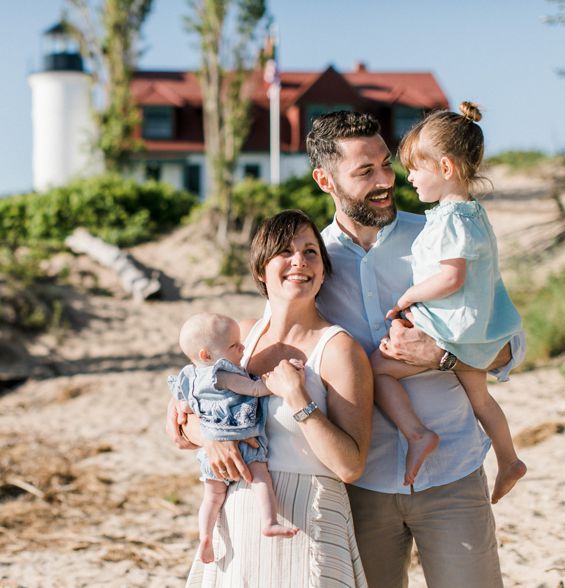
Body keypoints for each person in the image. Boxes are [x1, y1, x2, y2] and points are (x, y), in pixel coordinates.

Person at [305, 111, 524, 587]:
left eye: (387, 164)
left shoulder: (440, 234)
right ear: (325, 180)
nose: (386, 181)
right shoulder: (311, 264)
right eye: (365, 172)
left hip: (454, 473)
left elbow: (508, 346)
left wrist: (442, 356)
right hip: (357, 486)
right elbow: (276, 344)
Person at [171, 210, 373, 586]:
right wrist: (211, 437)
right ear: (261, 270)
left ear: (324, 271)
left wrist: (298, 399)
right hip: (239, 516)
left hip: (310, 517)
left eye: (311, 251)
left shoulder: (339, 349)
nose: (299, 261)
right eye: (284, 251)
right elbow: (184, 425)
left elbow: (350, 466)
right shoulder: (239, 340)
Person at [366, 102, 526, 502]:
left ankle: (418, 435)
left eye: (416, 169)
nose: (409, 178)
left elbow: (451, 277)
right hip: (472, 327)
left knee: (378, 370)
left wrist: (409, 296)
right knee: (480, 399)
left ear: (446, 168)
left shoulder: (451, 218)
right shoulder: (472, 214)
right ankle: (509, 460)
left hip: (451, 327)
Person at [169, 312, 299, 565]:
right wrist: (281, 380)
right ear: (207, 355)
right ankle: (269, 521)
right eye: (234, 345)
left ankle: (205, 536)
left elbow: (183, 408)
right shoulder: (224, 373)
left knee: (212, 496)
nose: (243, 347)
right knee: (260, 478)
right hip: (243, 441)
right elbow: (254, 389)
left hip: (210, 455)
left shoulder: (189, 377)